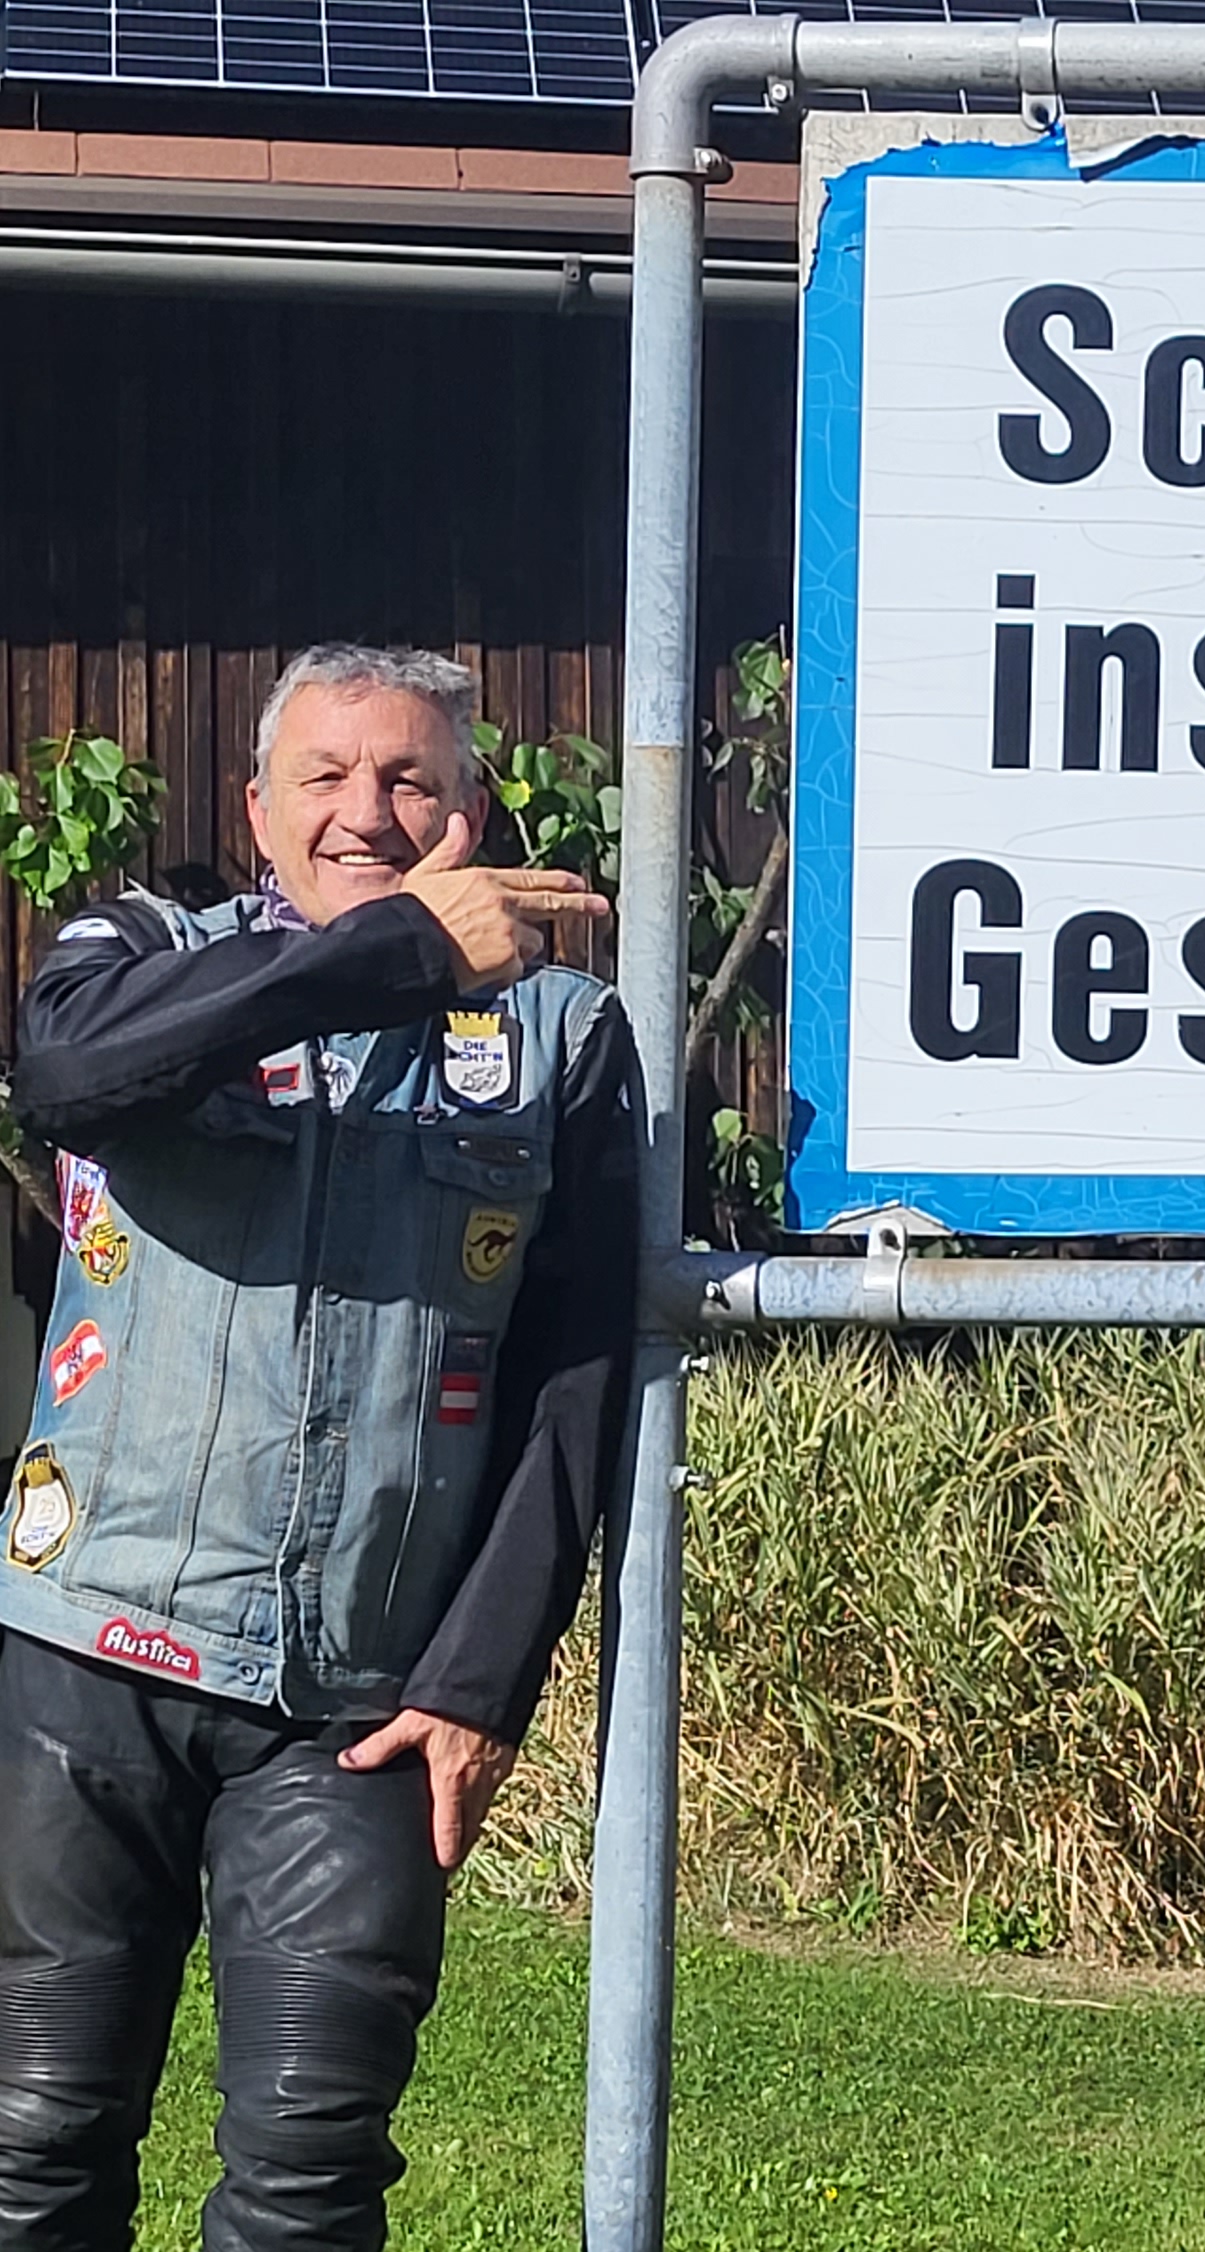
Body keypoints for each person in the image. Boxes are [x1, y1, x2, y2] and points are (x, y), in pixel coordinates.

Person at [0, 644, 631, 2250]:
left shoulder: (563, 1036)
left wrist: (479, 1684)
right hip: (84, 1653)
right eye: (328, 776)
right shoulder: (141, 956)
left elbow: (573, 1379)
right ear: (257, 810)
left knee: (310, 2180)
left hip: (357, 1706)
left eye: (412, 778)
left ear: (471, 808)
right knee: (34, 2147)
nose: (368, 811)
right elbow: (67, 1077)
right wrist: (393, 954)